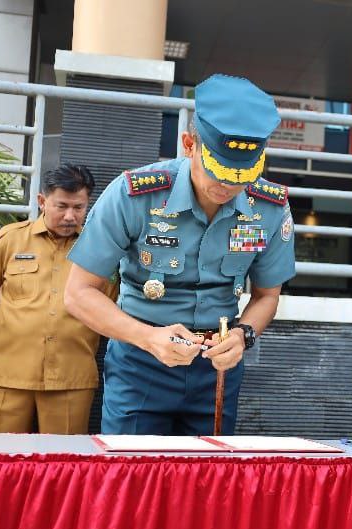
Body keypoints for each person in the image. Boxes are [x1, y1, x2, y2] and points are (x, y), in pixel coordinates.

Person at [64, 74, 295, 436]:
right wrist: (147, 338)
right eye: (218, 172)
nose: (228, 187)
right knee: (132, 481)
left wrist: (243, 336)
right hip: (141, 361)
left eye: (242, 177)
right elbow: (78, 294)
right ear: (189, 145)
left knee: (208, 484)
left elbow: (267, 295)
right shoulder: (135, 195)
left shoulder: (269, 208)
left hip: (217, 368)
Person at [0, 164, 116, 434]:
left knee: (63, 465)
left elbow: (107, 307)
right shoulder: (10, 239)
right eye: (61, 206)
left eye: (78, 207)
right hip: (9, 374)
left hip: (70, 376)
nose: (69, 216)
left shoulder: (99, 248)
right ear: (42, 201)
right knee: (1, 459)